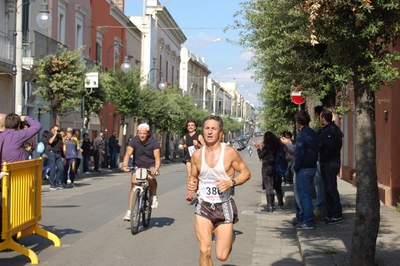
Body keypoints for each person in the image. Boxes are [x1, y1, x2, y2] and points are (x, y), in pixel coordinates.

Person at [188, 115, 251, 265]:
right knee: (204, 250)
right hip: (203, 205)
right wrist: (191, 186)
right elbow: (192, 177)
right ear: (203, 131)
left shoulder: (229, 153)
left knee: (222, 256)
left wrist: (231, 182)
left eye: (213, 129)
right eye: (207, 128)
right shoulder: (197, 155)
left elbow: (246, 173)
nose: (209, 132)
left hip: (224, 205)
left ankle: (229, 236)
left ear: (220, 133)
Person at [122, 123, 161, 221]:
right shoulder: (134, 141)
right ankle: (130, 211)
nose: (142, 135)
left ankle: (154, 196)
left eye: (144, 133)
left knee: (151, 178)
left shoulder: (154, 142)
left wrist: (156, 168)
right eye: (140, 133)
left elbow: (157, 157)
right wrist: (125, 165)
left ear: (147, 133)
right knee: (134, 185)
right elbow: (128, 153)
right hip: (137, 165)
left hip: (150, 165)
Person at [288, 110, 319, 230]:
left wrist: (295, 167)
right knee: (303, 194)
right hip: (312, 167)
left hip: (303, 168)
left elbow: (299, 153)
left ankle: (308, 220)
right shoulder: (313, 133)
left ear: (298, 122)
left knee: (304, 195)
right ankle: (301, 217)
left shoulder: (301, 135)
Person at [319, 110, 344, 224]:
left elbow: (329, 148)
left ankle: (336, 214)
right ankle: (330, 214)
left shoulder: (330, 130)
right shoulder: (333, 129)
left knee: (331, 189)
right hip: (331, 162)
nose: (320, 120)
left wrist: (322, 159)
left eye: (320, 118)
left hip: (330, 163)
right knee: (329, 189)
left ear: (323, 118)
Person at [252, 131, 283, 212]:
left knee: (268, 187)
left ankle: (270, 206)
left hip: (266, 167)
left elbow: (260, 156)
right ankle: (279, 204)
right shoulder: (276, 146)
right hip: (274, 167)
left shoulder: (266, 147)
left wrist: (258, 148)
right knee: (275, 185)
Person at [179, 119, 205, 202]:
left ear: (195, 127)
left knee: (197, 175)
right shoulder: (185, 137)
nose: (190, 127)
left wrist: (198, 144)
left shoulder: (199, 136)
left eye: (192, 125)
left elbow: (205, 147)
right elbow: (182, 146)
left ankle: (197, 189)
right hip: (189, 158)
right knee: (189, 174)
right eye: (189, 125)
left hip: (198, 158)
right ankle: (189, 194)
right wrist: (183, 146)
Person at [313, 105, 325, 220]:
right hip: (321, 158)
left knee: (319, 182)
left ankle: (320, 208)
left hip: (321, 158)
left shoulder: (323, 129)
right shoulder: (322, 129)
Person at [47, 125, 65, 190]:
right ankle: (52, 184)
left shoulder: (59, 136)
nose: (56, 132)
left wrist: (62, 137)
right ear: (52, 129)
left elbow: (64, 143)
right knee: (53, 169)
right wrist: (54, 134)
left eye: (57, 130)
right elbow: (50, 142)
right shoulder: (49, 134)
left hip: (58, 153)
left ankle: (57, 182)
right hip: (52, 153)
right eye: (55, 130)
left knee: (61, 168)